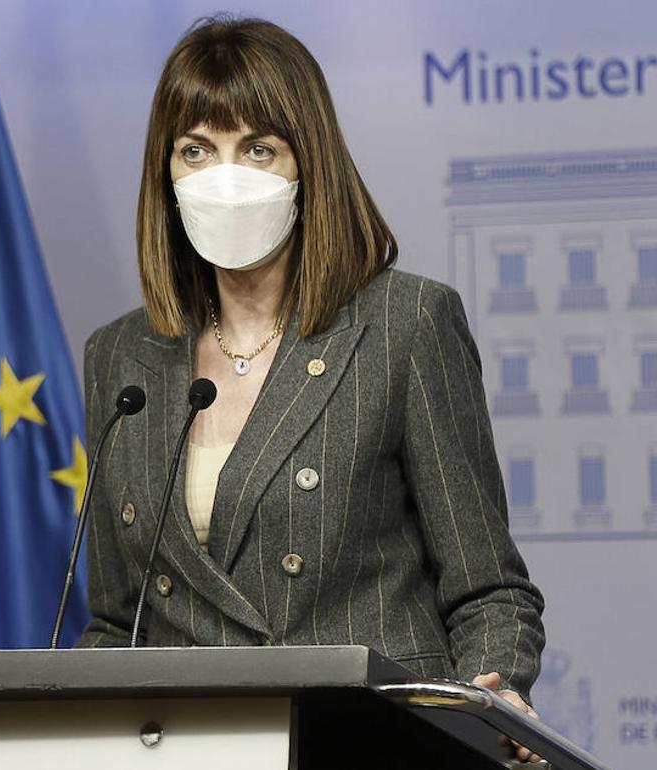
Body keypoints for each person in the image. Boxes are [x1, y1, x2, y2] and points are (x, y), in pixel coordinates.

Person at [77, 15, 546, 763]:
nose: (225, 177)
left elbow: (488, 589)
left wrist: (493, 694)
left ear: (307, 164)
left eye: (257, 149)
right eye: (196, 150)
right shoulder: (119, 357)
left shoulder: (405, 324)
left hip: (374, 740)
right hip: (196, 746)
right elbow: (115, 622)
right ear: (165, 175)